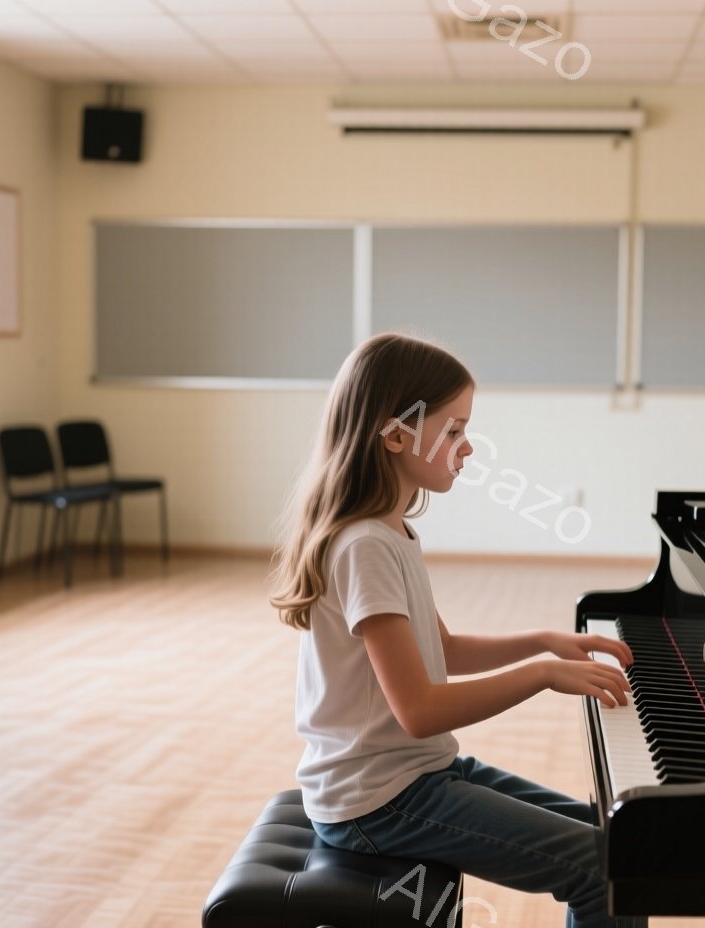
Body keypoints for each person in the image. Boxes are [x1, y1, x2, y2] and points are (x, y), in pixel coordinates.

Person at [269, 332, 645, 928]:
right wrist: (542, 675)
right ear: (396, 435)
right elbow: (420, 711)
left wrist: (544, 641)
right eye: (453, 431)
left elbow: (442, 649)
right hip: (375, 801)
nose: (468, 448)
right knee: (603, 869)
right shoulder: (365, 545)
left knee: (619, 839)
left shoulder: (391, 532)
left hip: (413, 774)